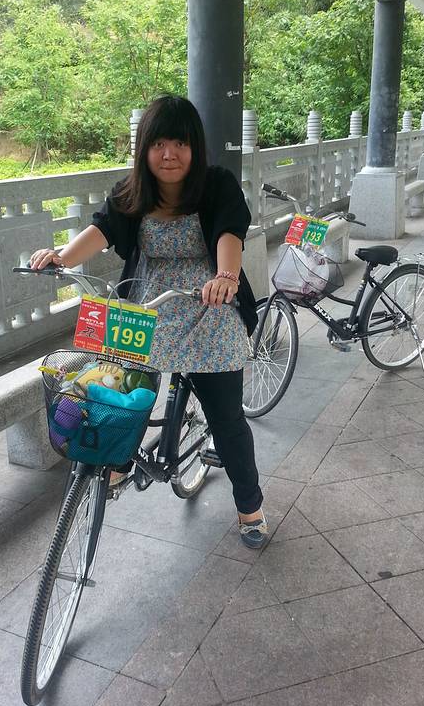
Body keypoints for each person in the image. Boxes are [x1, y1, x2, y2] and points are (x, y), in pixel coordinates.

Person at [30, 95, 267, 548]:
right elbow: (102, 229)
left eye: (179, 143)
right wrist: (62, 257)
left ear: (195, 147)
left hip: (208, 305)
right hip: (148, 305)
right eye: (158, 144)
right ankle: (118, 460)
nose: (168, 154)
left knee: (226, 419)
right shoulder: (132, 191)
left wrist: (226, 277)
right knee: (117, 393)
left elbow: (229, 233)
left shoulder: (217, 184)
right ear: (144, 148)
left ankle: (249, 505)